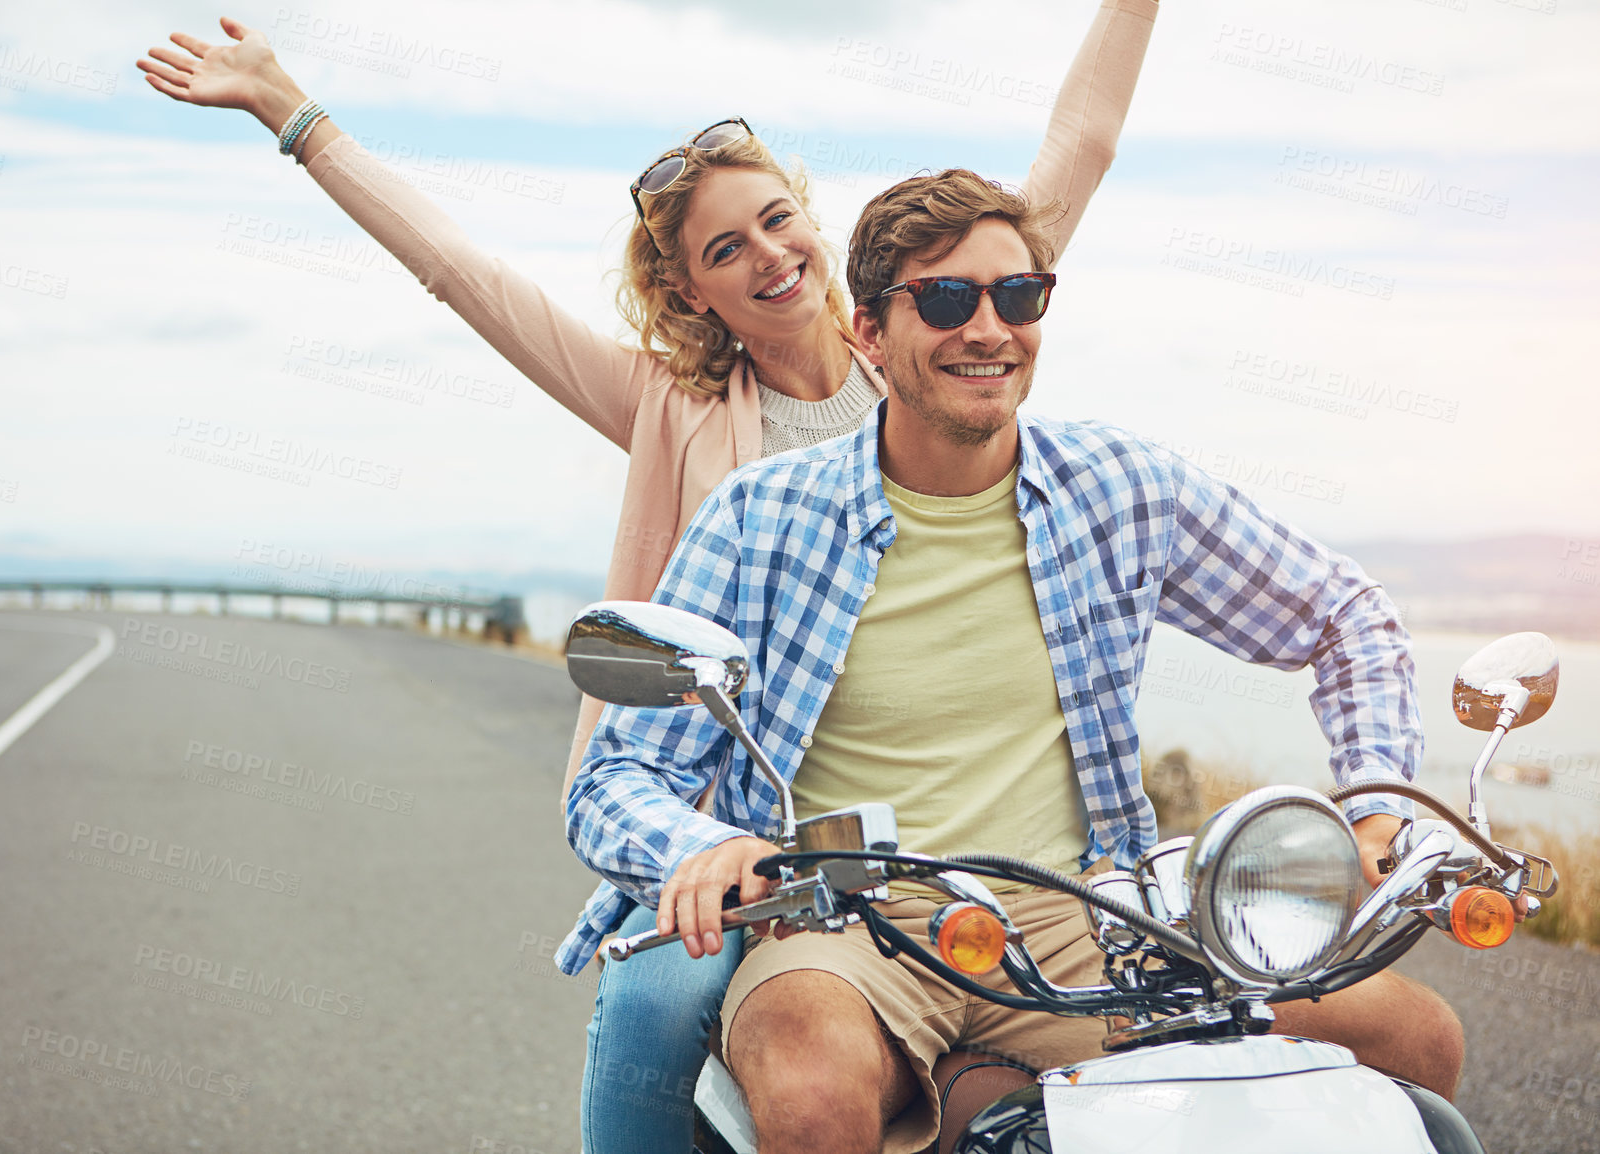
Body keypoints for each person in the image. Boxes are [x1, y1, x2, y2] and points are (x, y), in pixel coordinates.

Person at [136, 5, 1161, 1148]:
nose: (769, 257)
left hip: (957, 835)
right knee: (656, 995)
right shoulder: (666, 409)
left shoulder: (939, 328)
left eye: (778, 221)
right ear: (691, 294)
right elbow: (460, 274)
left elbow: (1081, 146)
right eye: (727, 250)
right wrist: (293, 110)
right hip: (742, 837)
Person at [561, 168, 1468, 1154]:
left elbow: (1346, 612)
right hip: (846, 925)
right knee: (812, 1090)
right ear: (869, 331)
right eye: (946, 299)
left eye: (1018, 295)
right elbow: (617, 775)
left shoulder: (1120, 484)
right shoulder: (758, 514)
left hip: (1079, 916)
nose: (987, 327)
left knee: (1412, 1034)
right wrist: (704, 850)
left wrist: (1378, 805)